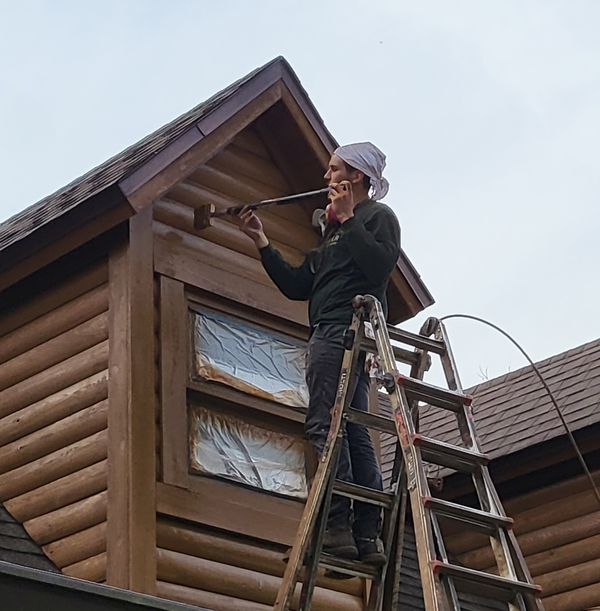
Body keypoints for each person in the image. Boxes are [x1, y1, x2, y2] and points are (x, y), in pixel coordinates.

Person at [237, 142, 400, 566]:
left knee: (326, 425)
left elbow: (380, 267)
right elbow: (297, 285)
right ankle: (367, 537)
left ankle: (339, 524)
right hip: (337, 330)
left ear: (356, 178)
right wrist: (262, 242)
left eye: (334, 171)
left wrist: (348, 217)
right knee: (352, 428)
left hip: (344, 330)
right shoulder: (332, 235)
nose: (326, 179)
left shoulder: (378, 218)